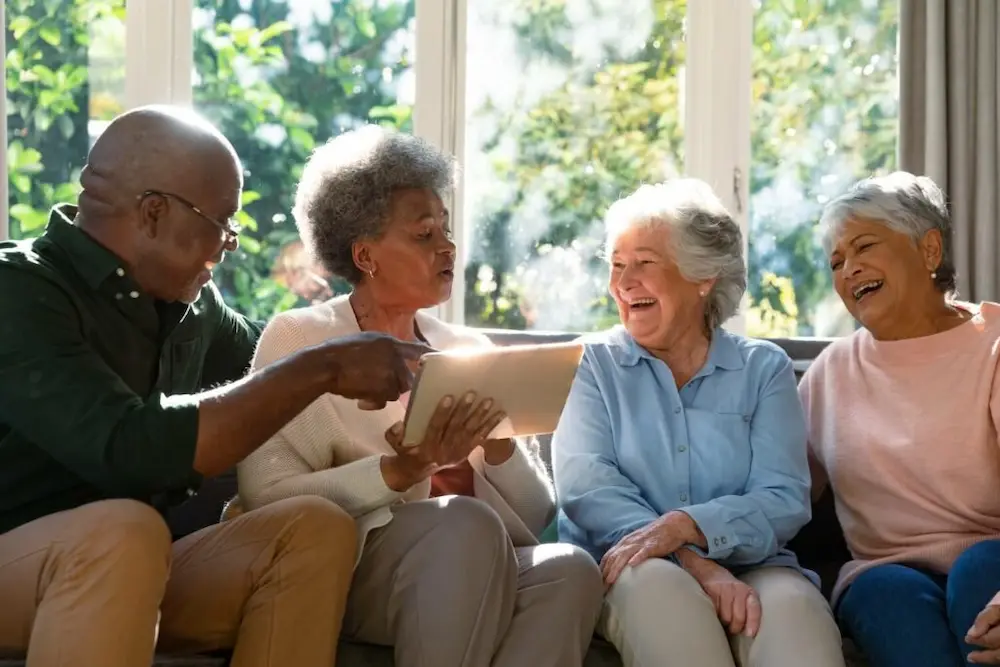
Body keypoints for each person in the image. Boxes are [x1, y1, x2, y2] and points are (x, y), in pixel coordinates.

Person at [0, 106, 433, 667]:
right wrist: (325, 366)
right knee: (125, 531)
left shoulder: (191, 306)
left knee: (312, 528)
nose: (230, 242)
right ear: (154, 212)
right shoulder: (20, 292)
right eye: (223, 220)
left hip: (133, 565)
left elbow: (279, 352)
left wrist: (402, 342)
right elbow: (129, 449)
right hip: (30, 558)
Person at [236, 125, 604, 667]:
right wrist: (398, 472)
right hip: (351, 566)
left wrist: (498, 446)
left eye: (446, 230)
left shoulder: (468, 348)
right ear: (366, 255)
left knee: (569, 568)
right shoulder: (302, 339)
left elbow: (536, 510)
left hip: (477, 557)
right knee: (464, 522)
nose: (447, 246)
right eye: (424, 234)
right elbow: (265, 491)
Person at [552, 179, 846, 667]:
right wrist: (690, 557)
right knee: (669, 608)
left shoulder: (763, 369)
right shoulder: (590, 364)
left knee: (798, 627)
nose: (624, 282)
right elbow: (589, 490)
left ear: (702, 276)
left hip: (756, 563)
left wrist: (690, 525)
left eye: (644, 263)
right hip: (633, 562)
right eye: (617, 265)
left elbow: (783, 496)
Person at [800, 171, 1000, 667]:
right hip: (883, 572)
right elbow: (778, 492)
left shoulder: (993, 348)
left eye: (865, 246)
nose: (849, 269)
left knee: (980, 570)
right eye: (836, 262)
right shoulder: (831, 373)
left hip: (992, 561)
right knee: (885, 593)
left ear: (929, 250)